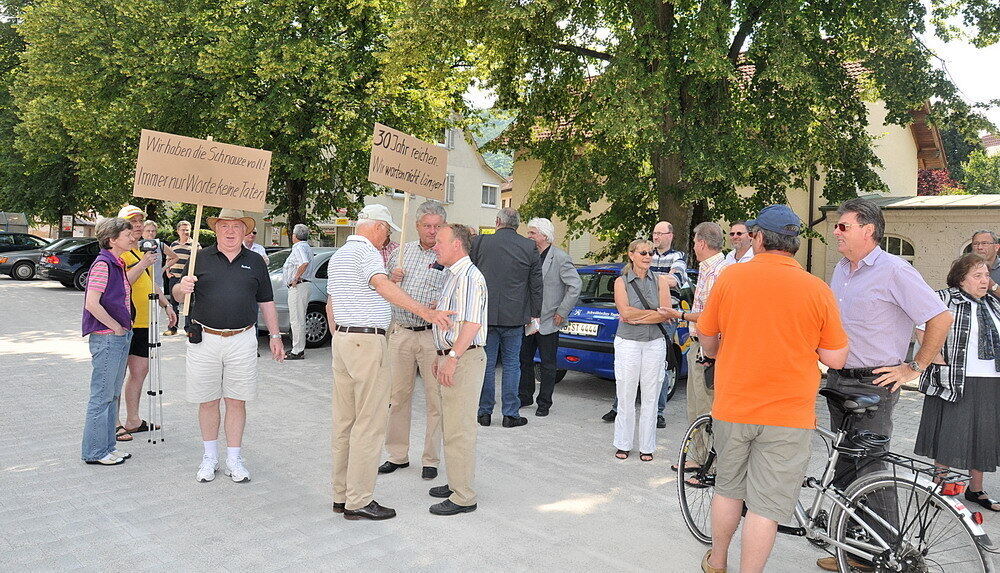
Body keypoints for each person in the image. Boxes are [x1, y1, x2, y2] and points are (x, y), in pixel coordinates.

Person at [697, 205, 849, 573]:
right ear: (794, 243)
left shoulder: (732, 279)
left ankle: (718, 561)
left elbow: (707, 337)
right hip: (789, 413)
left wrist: (718, 350)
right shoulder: (817, 288)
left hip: (734, 405)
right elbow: (837, 357)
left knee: (728, 488)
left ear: (759, 238)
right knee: (765, 507)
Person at [816, 197, 952, 572]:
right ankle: (854, 549)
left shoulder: (894, 270)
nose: (836, 232)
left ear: (868, 230)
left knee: (872, 469)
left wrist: (915, 367)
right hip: (840, 379)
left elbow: (939, 317)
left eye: (843, 226)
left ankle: (894, 557)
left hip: (875, 383)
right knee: (844, 464)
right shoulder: (842, 268)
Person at [325, 204, 453, 521]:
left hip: (342, 340)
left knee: (344, 424)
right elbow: (383, 286)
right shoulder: (368, 253)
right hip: (366, 342)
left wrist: (339, 336)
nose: (387, 238)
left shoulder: (339, 255)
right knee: (369, 425)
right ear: (379, 227)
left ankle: (341, 496)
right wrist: (428, 313)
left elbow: (331, 304)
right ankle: (359, 500)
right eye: (387, 231)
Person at [172, 209, 285, 484]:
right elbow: (176, 293)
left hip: (243, 339)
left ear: (245, 231)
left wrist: (275, 335)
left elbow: (266, 301)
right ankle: (210, 457)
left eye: (237, 226)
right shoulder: (200, 258)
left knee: (237, 400)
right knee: (208, 400)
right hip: (204, 338)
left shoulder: (256, 261)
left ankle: (234, 458)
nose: (231, 231)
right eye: (225, 226)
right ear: (217, 229)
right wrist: (181, 287)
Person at [914, 254, 1000, 512]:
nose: (985, 280)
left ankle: (976, 490)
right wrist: (937, 358)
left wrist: (994, 288)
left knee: (983, 435)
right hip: (955, 379)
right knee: (951, 433)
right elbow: (921, 327)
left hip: (991, 379)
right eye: (978, 275)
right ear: (961, 278)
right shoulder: (943, 298)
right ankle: (939, 487)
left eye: (986, 275)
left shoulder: (993, 304)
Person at [379, 200, 448, 481]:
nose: (432, 231)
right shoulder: (401, 254)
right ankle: (397, 454)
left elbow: (457, 295)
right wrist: (390, 279)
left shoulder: (449, 256)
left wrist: (441, 301)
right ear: (417, 226)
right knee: (397, 398)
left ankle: (430, 459)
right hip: (402, 333)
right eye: (427, 226)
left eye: (437, 226)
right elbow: (381, 290)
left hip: (432, 337)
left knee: (436, 399)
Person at [426, 223, 489, 515]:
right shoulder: (453, 275)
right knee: (451, 425)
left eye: (439, 240)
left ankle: (463, 496)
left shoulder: (468, 278)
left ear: (457, 245)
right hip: (453, 356)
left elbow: (472, 324)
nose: (434, 244)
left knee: (459, 429)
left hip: (463, 359)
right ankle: (456, 482)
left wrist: (451, 357)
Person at [661, 222, 731, 473]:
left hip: (710, 348)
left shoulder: (718, 272)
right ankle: (698, 457)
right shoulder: (714, 267)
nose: (693, 246)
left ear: (701, 243)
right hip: (702, 344)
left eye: (694, 241)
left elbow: (710, 317)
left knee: (705, 406)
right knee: (699, 404)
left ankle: (708, 463)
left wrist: (678, 314)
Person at [602, 220, 683, 428]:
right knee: (628, 373)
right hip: (645, 320)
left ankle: (658, 412)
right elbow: (626, 309)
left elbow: (674, 280)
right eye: (654, 233)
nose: (656, 237)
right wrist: (650, 312)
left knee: (660, 369)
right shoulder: (637, 264)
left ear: (670, 236)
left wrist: (658, 281)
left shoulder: (677, 257)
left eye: (660, 234)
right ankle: (617, 407)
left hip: (664, 322)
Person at [470, 207, 542, 428]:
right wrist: (535, 314)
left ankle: (484, 413)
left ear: (497, 221)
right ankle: (510, 414)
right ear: (517, 225)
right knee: (512, 365)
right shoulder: (529, 246)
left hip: (485, 314)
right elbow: (536, 284)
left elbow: (469, 274)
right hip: (515, 315)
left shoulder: (480, 242)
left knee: (487, 364)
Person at [81, 217, 143, 466]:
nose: (133, 237)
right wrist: (116, 326)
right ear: (112, 239)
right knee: (102, 397)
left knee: (112, 395)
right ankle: (95, 451)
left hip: (118, 337)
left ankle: (107, 447)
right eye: (128, 234)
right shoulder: (103, 265)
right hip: (107, 339)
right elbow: (91, 304)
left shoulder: (116, 263)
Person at [115, 206, 176, 443]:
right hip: (124, 322)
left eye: (141, 221)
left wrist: (166, 305)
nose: (139, 225)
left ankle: (133, 420)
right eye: (133, 222)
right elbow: (123, 283)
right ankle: (114, 422)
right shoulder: (118, 253)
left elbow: (149, 283)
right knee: (117, 375)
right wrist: (144, 264)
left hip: (144, 321)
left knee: (140, 372)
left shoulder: (140, 252)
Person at [611, 239, 673, 462]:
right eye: (643, 252)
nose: (648, 257)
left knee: (651, 395)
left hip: (654, 342)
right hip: (628, 342)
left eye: (651, 253)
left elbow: (666, 313)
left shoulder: (661, 281)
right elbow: (624, 313)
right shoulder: (621, 281)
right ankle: (623, 443)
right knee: (626, 394)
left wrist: (640, 317)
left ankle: (647, 446)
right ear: (631, 255)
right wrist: (650, 315)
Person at [518, 217, 581, 417]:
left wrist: (562, 311)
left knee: (547, 364)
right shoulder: (528, 255)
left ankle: (544, 403)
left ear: (544, 236)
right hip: (528, 319)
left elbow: (575, 286)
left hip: (549, 321)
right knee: (524, 360)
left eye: (532, 233)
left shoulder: (560, 258)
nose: (528, 236)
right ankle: (525, 396)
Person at [282, 223, 314, 360]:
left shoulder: (298, 247)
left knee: (297, 319)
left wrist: (295, 278)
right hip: (303, 285)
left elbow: (304, 262)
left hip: (298, 286)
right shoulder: (306, 246)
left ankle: (298, 350)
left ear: (294, 236)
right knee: (299, 318)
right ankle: (298, 347)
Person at [165, 220, 196, 336]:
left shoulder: (195, 244)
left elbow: (200, 261)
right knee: (173, 304)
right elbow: (168, 259)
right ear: (178, 231)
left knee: (189, 304)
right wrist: (168, 272)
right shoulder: (173, 245)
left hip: (187, 280)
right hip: (174, 277)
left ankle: (188, 328)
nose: (185, 232)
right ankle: (173, 328)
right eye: (183, 230)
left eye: (187, 229)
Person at [141, 220, 179, 293]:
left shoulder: (160, 245)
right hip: (141, 284)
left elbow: (175, 257)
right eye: (148, 231)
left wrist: (163, 269)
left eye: (153, 231)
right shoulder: (137, 245)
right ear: (142, 232)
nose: (151, 233)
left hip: (157, 283)